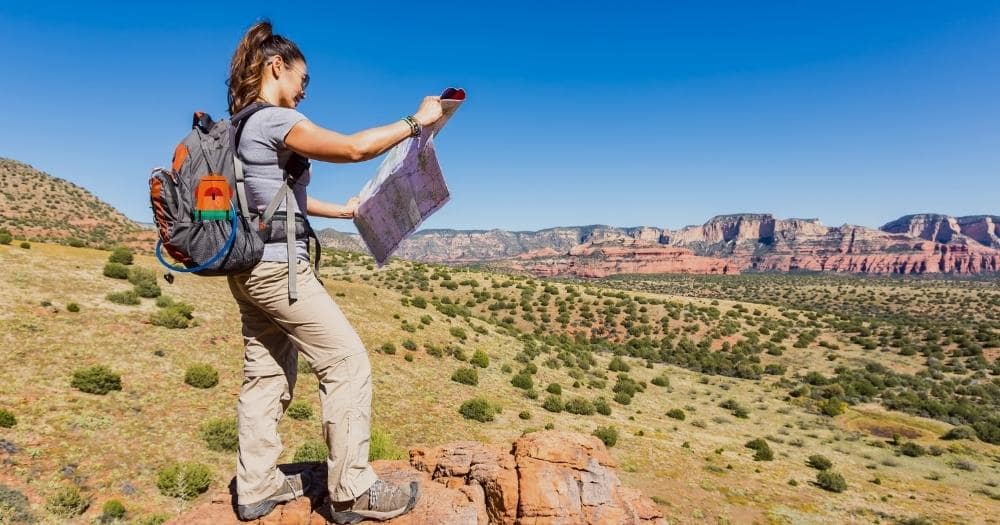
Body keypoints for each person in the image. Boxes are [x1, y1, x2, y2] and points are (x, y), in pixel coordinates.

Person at [224, 20, 442, 523]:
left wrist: (338, 212)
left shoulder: (239, 125)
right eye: (303, 79)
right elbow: (353, 148)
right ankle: (352, 492)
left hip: (249, 268)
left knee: (266, 373)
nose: (304, 90)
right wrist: (417, 120)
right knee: (346, 363)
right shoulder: (275, 121)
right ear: (276, 66)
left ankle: (256, 487)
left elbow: (272, 199)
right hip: (282, 270)